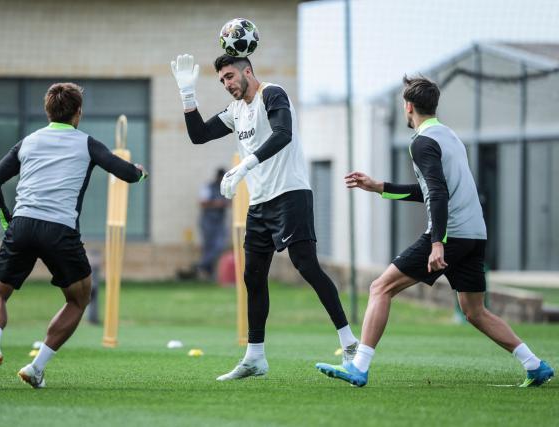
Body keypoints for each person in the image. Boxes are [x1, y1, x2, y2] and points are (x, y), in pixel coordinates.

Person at [316, 75, 554, 388]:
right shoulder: (449, 136)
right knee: (475, 311)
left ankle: (359, 366)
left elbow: (438, 193)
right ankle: (534, 365)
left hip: (450, 234)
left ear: (408, 106)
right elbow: (432, 190)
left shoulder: (421, 142)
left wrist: (437, 243)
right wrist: (380, 188)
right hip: (474, 234)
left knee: (380, 288)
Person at [170, 53, 358, 381]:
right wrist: (188, 95)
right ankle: (255, 357)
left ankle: (350, 343)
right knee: (252, 277)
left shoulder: (272, 94)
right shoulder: (235, 111)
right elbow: (198, 135)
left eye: (230, 76)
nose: (227, 84)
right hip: (259, 204)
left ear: (247, 71)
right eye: (222, 80)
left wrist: (245, 165)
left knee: (306, 265)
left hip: (291, 194)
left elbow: (282, 133)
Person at [0, 82, 148, 389]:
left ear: (47, 111)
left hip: (22, 226)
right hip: (60, 230)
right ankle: (36, 367)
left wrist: (6, 222)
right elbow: (126, 174)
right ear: (78, 112)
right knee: (79, 299)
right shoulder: (87, 143)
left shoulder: (28, 142)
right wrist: (140, 172)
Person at [196, 168, 230, 280]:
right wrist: (217, 204)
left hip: (219, 221)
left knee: (219, 246)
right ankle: (207, 273)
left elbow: (230, 202)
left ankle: (201, 265)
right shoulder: (208, 187)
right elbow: (202, 202)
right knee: (208, 246)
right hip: (208, 221)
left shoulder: (225, 188)